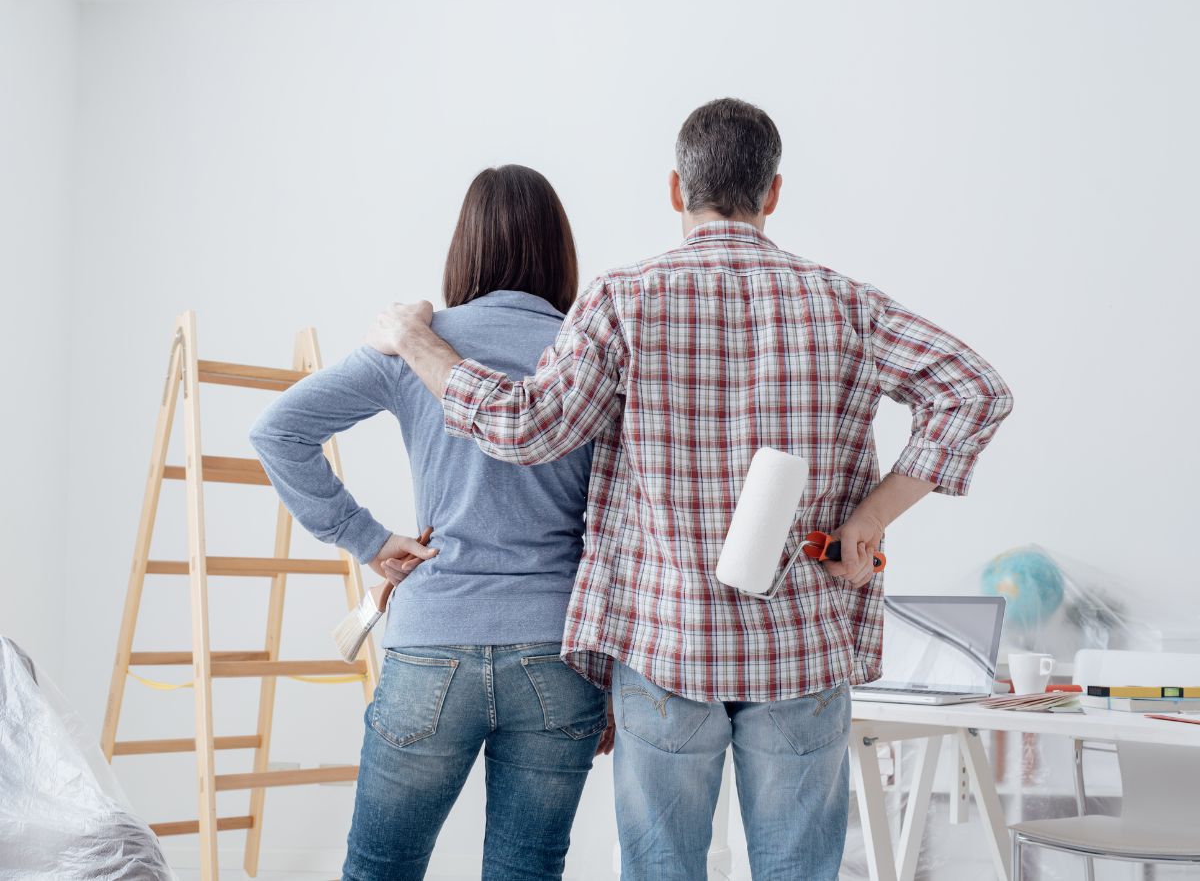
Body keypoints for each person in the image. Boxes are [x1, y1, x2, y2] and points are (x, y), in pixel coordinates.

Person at [366, 98, 1015, 880]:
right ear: (773, 193)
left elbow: (527, 428)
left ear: (676, 189)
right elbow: (975, 391)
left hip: (668, 649)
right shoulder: (847, 303)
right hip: (800, 650)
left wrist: (415, 341)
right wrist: (870, 519)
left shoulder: (623, 300)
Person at [250, 165, 609, 881]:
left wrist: (367, 540)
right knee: (528, 869)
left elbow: (277, 430)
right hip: (558, 647)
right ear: (559, 250)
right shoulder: (587, 350)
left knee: (381, 869)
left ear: (464, 249)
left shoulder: (416, 342)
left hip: (432, 644)